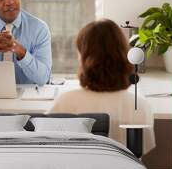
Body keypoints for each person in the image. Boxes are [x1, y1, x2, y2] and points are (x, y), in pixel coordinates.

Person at [50, 19, 156, 154]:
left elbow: (48, 145)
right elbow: (144, 148)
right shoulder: (139, 105)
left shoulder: (65, 102)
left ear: (84, 57)